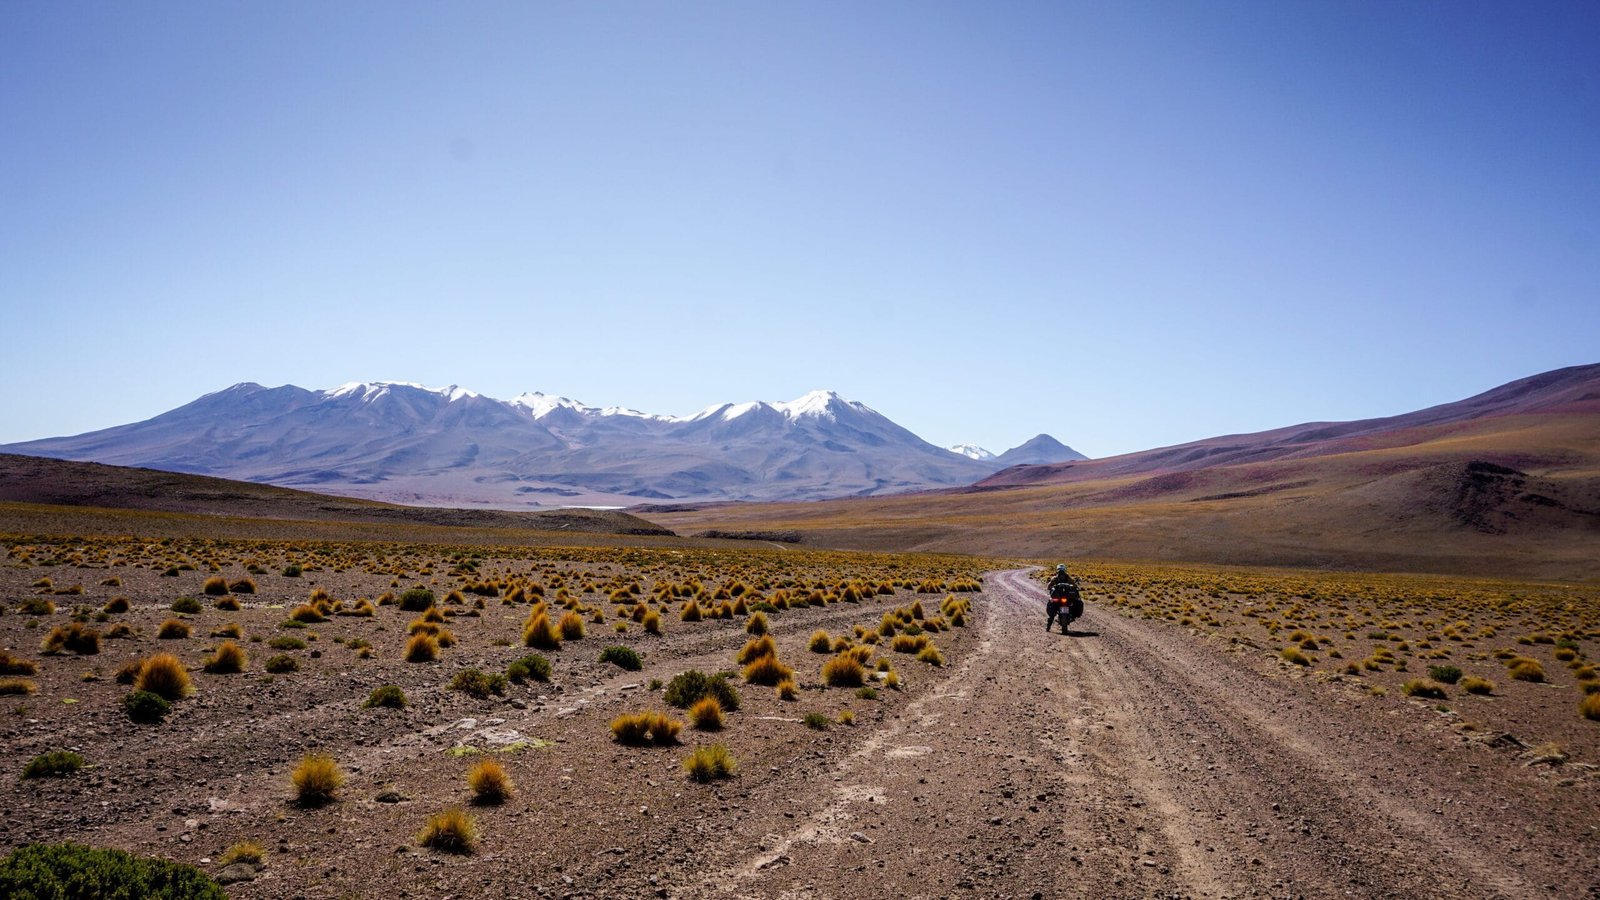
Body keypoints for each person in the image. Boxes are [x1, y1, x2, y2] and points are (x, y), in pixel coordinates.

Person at [1045, 564, 1078, 633]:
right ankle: (1048, 627)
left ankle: (1048, 627)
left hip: (1061, 597)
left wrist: (1052, 587)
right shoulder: (1065, 577)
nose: (1061, 572)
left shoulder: (1056, 577)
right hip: (1064, 597)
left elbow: (1049, 586)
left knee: (1052, 613)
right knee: (1052, 611)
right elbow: (1074, 584)